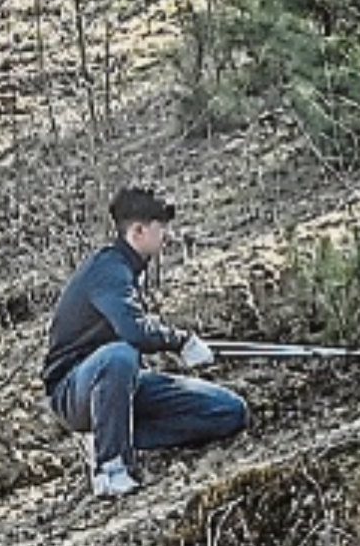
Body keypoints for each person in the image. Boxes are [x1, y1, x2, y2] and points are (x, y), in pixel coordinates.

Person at [43, 186, 247, 498]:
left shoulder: (129, 270)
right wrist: (182, 342)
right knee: (119, 355)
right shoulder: (108, 270)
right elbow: (134, 331)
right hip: (74, 390)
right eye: (161, 227)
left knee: (229, 411)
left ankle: (110, 434)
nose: (167, 235)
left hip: (124, 385)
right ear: (138, 231)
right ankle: (110, 469)